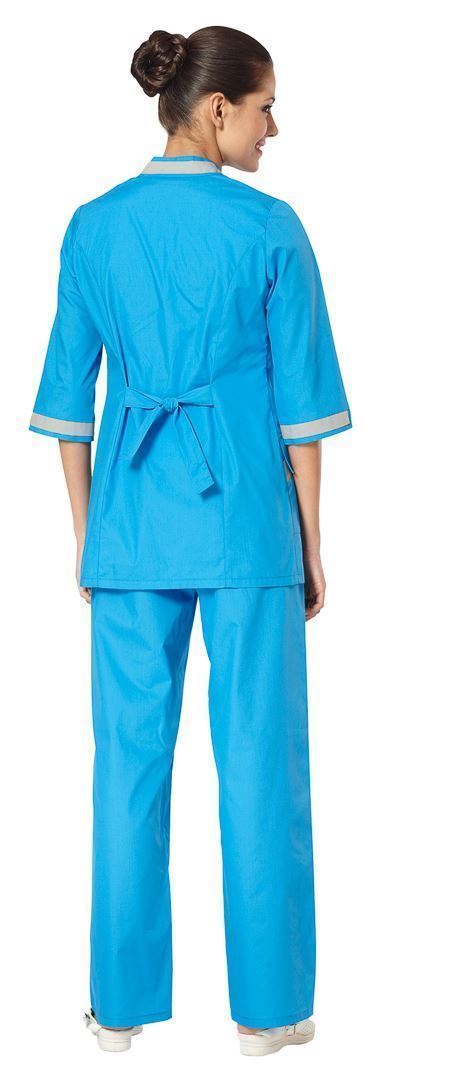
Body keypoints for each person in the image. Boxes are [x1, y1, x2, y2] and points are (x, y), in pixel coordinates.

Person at [29, 25, 352, 1057]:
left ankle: (118, 1014)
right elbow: (302, 411)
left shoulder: (92, 227)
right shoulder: (270, 228)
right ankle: (269, 1014)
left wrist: (91, 536)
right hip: (248, 526)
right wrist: (311, 541)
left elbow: (67, 408)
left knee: (126, 770)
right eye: (264, 107)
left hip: (128, 528)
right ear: (217, 109)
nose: (272, 128)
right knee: (261, 765)